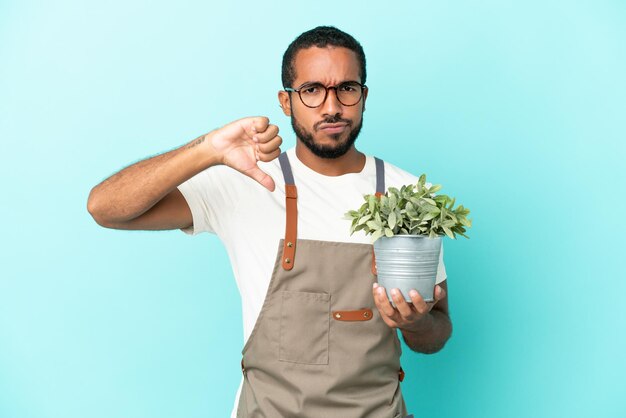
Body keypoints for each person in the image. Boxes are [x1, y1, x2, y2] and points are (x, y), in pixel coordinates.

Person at [88, 26, 452, 418]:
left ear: (363, 96)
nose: (331, 107)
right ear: (286, 101)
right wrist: (207, 149)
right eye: (312, 90)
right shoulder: (245, 180)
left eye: (346, 88)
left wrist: (415, 324)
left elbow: (437, 333)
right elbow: (105, 208)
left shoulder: (409, 194)